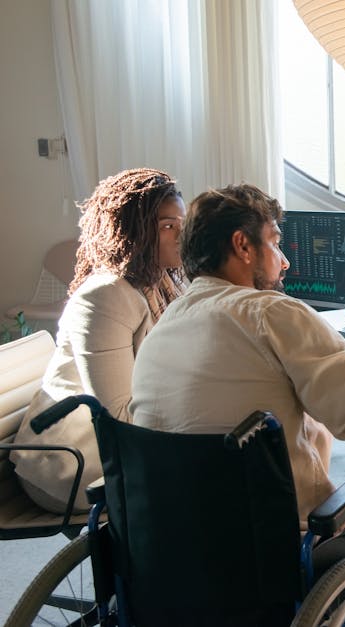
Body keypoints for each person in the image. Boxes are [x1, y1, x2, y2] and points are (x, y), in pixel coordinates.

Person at [129, 184, 345, 521]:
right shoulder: (273, 314)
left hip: (170, 542)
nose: (284, 263)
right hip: (272, 539)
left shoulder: (162, 326)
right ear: (243, 246)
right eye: (275, 243)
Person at [13, 168, 186, 513]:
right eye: (168, 226)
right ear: (134, 231)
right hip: (72, 464)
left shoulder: (162, 281)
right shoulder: (106, 296)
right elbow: (118, 417)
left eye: (183, 223)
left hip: (115, 446)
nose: (182, 234)